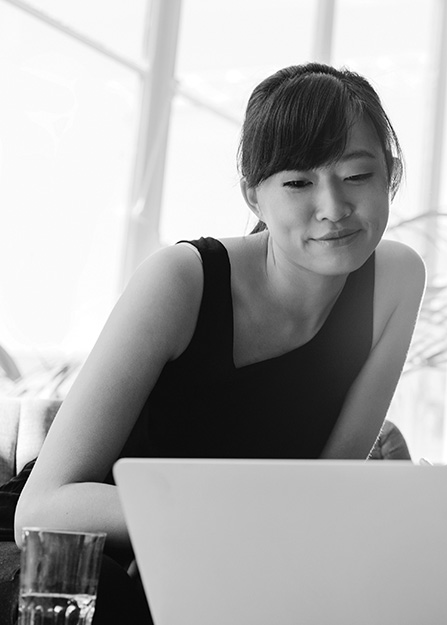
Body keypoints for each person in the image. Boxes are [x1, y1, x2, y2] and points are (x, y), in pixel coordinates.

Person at [10, 63, 425, 624]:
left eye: (357, 175)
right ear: (254, 195)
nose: (333, 207)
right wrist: (234, 519)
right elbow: (44, 507)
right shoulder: (182, 280)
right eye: (298, 182)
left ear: (390, 177)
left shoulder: (396, 279)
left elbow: (327, 487)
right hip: (70, 563)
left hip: (220, 559)